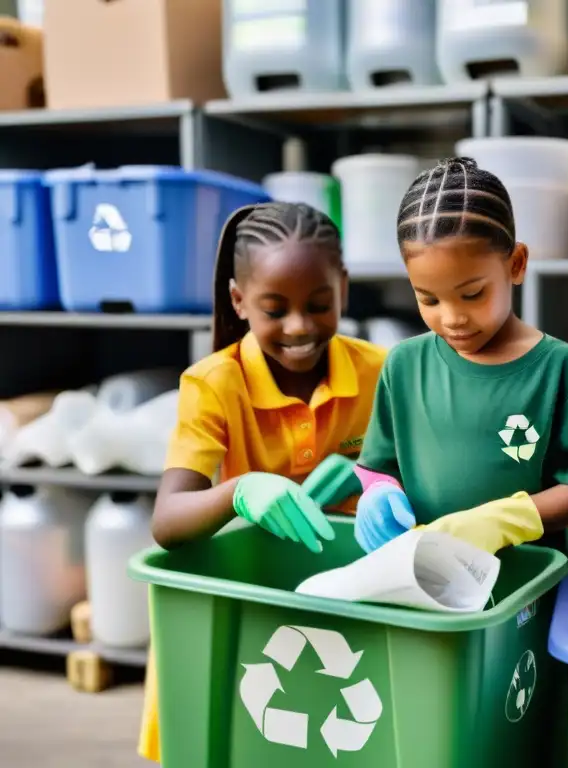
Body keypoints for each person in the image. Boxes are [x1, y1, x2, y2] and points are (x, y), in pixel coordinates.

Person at [138, 202, 388, 763]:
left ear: (343, 289)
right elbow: (168, 521)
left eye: (319, 305)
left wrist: (372, 479)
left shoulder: (381, 370)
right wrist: (241, 490)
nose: (299, 327)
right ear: (238, 301)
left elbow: (417, 473)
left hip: (350, 597)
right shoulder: (213, 384)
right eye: (274, 309)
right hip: (250, 598)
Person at [312, 156, 568, 559]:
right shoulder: (404, 366)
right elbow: (379, 463)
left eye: (473, 294)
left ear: (516, 264)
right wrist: (378, 491)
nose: (452, 318)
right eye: (429, 299)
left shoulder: (557, 368)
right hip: (423, 574)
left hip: (525, 584)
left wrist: (505, 520)